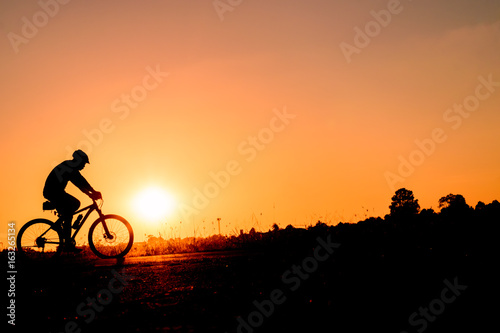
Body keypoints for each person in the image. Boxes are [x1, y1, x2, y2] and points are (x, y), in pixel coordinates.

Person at [43, 150, 101, 250]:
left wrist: (93, 191)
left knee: (71, 209)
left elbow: (81, 181)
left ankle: (63, 225)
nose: (83, 166)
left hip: (56, 191)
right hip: (53, 192)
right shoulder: (68, 167)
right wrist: (91, 194)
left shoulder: (70, 167)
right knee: (73, 205)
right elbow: (79, 184)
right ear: (78, 161)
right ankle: (67, 242)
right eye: (83, 163)